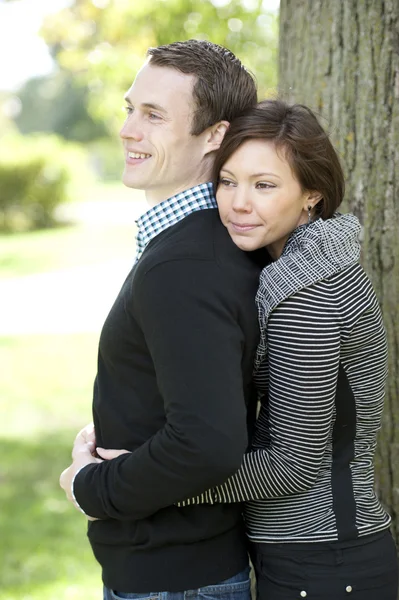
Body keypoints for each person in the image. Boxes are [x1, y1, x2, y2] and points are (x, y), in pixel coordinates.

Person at [59, 40, 268, 600]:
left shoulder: (184, 264)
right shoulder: (190, 247)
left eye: (154, 115)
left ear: (215, 135)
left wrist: (91, 487)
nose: (129, 129)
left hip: (175, 579)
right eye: (130, 108)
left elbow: (207, 441)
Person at [178, 100, 399, 599]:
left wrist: (151, 483)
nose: (237, 202)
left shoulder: (309, 291)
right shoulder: (298, 268)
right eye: (228, 181)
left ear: (312, 197)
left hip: (326, 562)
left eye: (264, 185)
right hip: (310, 557)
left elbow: (293, 464)